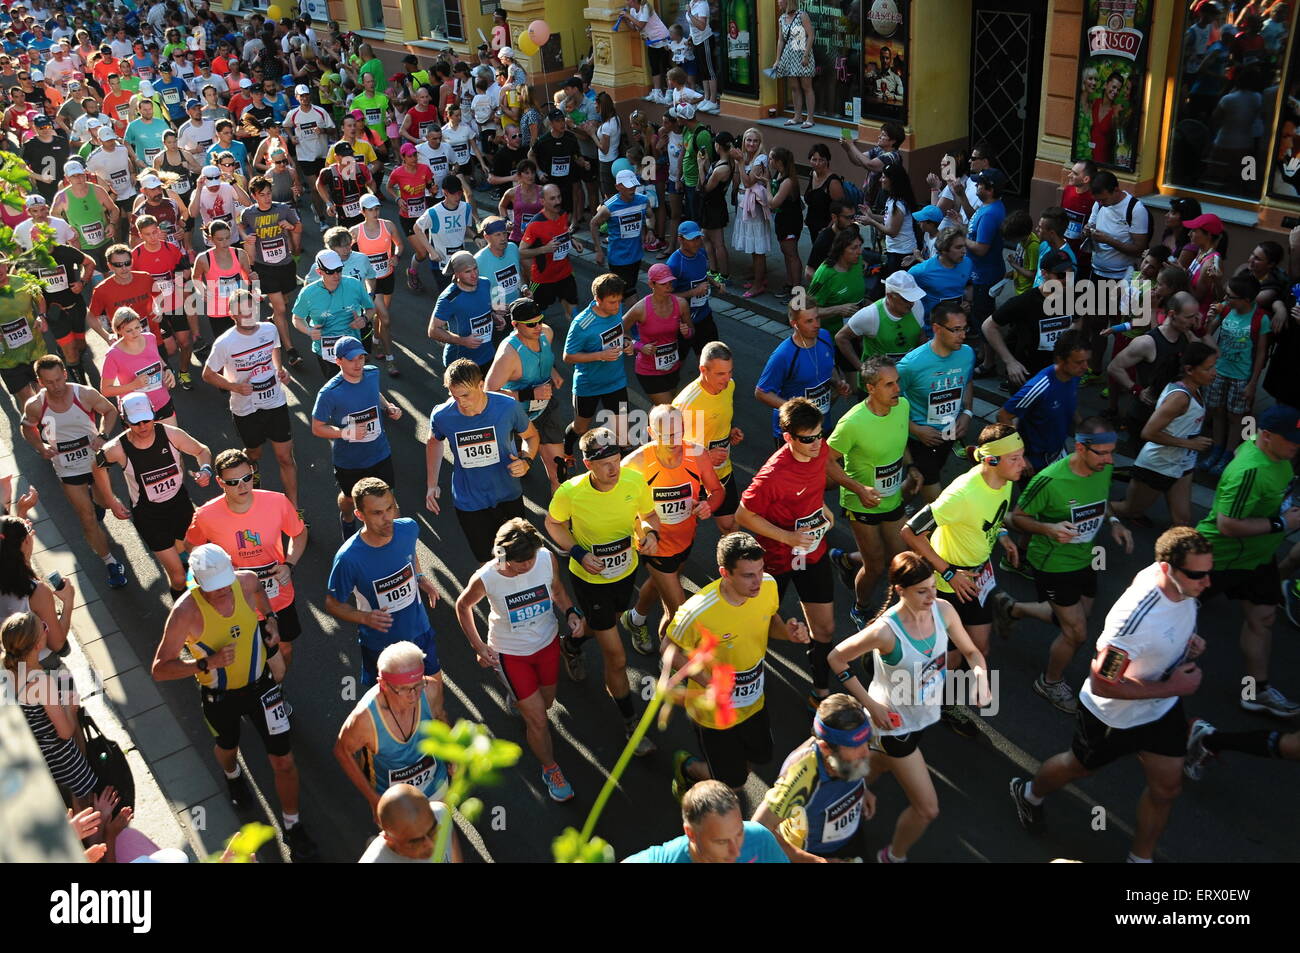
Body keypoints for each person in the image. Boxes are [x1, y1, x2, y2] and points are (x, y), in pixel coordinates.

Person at [1010, 527, 1210, 864]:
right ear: (1166, 570)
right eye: (1197, 575)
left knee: (1166, 789)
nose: (1206, 582)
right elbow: (1104, 681)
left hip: (1160, 709)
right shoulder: (1132, 622)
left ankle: (1140, 859)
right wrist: (1174, 687)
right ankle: (1028, 793)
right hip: (1112, 716)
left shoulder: (1181, 585)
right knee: (1079, 768)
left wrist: (1186, 641)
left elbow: (1170, 625)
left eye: (1209, 572)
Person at [151, 543, 317, 860]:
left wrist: (269, 621)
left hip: (261, 688)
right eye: (214, 588)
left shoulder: (246, 581)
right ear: (198, 583)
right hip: (220, 696)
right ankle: (233, 776)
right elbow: (160, 669)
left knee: (284, 760)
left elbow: (261, 599)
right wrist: (204, 663)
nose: (224, 591)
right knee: (228, 749)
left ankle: (293, 826)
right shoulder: (186, 612)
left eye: (226, 582)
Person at [829, 551, 991, 863]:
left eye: (933, 587)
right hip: (894, 726)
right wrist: (872, 706)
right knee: (927, 808)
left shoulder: (943, 610)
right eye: (922, 591)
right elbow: (836, 658)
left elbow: (972, 652)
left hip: (922, 717)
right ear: (901, 591)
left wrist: (982, 679)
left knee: (873, 767)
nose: (932, 596)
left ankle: (839, 803)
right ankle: (893, 856)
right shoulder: (885, 632)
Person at [1000, 420, 1134, 712]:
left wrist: (1113, 521)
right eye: (1102, 453)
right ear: (1080, 447)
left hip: (1084, 557)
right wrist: (1048, 529)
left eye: (1112, 452)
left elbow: (1102, 499)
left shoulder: (1104, 467)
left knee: (1077, 617)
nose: (1110, 460)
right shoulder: (1049, 480)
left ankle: (1013, 609)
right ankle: (1049, 682)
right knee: (1077, 632)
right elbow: (1014, 518)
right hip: (1053, 563)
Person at [900, 424, 1026, 733]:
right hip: (948, 584)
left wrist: (1004, 536)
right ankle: (920, 700)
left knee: (979, 648)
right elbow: (910, 531)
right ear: (991, 461)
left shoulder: (1005, 479)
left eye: (1022, 456)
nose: (1023, 464)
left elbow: (992, 517)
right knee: (951, 655)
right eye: (1015, 458)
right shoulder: (962, 494)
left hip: (977, 576)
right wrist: (948, 572)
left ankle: (939, 698)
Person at [738, 398, 862, 707]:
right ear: (788, 437)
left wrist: (821, 509)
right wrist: (787, 536)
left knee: (825, 627)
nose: (817, 443)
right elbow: (743, 515)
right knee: (757, 626)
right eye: (807, 438)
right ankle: (745, 675)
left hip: (813, 553)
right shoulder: (772, 476)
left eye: (820, 434)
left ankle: (819, 690)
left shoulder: (818, 450)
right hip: (776, 561)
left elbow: (817, 480)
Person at [544, 426, 661, 755]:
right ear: (586, 463)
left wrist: (650, 533)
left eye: (617, 458)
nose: (614, 467)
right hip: (591, 580)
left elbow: (648, 515)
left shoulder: (634, 481)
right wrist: (579, 553)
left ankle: (572, 642)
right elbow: (552, 523)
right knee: (617, 655)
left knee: (607, 622)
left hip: (625, 573)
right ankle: (630, 725)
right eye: (605, 462)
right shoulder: (571, 492)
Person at [665, 532, 811, 795]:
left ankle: (724, 770)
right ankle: (689, 768)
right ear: (725, 573)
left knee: (758, 760)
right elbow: (667, 649)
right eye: (748, 575)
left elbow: (770, 623)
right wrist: (709, 683)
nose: (757, 581)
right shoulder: (697, 611)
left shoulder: (768, 586)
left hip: (754, 702)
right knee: (732, 783)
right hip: (714, 714)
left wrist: (788, 633)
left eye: (760, 570)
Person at [454, 519, 580, 802]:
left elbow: (557, 591)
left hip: (547, 644)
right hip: (511, 654)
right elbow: (463, 606)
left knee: (547, 703)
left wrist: (571, 612)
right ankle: (551, 769)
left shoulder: (546, 559)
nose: (526, 566)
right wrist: (478, 645)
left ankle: (519, 698)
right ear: (503, 554)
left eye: (530, 559)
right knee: (537, 720)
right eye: (519, 562)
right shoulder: (488, 577)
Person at [1193, 404, 1300, 718]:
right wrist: (1283, 524)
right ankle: (1130, 679)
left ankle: (1256, 692)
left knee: (1263, 618)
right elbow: (1227, 525)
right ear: (1266, 436)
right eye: (1292, 438)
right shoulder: (1250, 472)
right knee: (1170, 618)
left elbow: (1243, 445)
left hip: (1257, 557)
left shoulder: (1270, 451)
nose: (1297, 444)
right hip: (1218, 559)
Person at [185, 449, 307, 675]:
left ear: (252, 473)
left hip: (278, 596)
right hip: (235, 602)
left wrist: (289, 564)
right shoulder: (205, 515)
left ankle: (275, 693)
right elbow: (191, 546)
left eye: (247, 478)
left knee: (285, 648)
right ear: (220, 483)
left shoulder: (277, 502)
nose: (242, 486)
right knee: (245, 657)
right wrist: (215, 569)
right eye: (233, 482)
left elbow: (299, 533)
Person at [826, 356, 924, 627]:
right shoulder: (853, 423)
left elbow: (900, 440)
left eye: (898, 382)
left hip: (892, 499)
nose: (898, 390)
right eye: (889, 385)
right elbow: (826, 459)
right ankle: (861, 607)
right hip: (862, 505)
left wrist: (912, 467)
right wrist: (858, 488)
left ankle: (845, 560)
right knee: (876, 566)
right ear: (870, 388)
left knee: (901, 558)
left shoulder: (901, 407)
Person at [620, 404, 724, 654]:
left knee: (659, 586)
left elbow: (717, 491)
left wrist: (708, 506)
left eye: (678, 432)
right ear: (651, 433)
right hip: (655, 546)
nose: (674, 440)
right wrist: (642, 530)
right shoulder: (636, 463)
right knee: (679, 611)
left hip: (685, 540)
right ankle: (670, 663)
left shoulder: (697, 454)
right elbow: (619, 505)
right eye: (666, 435)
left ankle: (634, 619)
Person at [19, 355, 128, 589]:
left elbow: (110, 411)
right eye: (49, 382)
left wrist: (102, 436)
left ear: (65, 375)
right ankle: (110, 563)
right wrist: (40, 447)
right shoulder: (36, 405)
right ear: (39, 381)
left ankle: (99, 504)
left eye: (59, 379)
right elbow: (26, 428)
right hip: (67, 470)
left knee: (104, 504)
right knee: (86, 518)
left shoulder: (84, 394)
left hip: (95, 464)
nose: (56, 386)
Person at [325, 477, 442, 691]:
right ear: (360, 515)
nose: (387, 518)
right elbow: (332, 604)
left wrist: (419, 577)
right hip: (381, 645)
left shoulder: (408, 528)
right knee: (390, 709)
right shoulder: (348, 559)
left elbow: (410, 552)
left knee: (436, 699)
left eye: (390, 508)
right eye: (377, 513)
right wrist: (365, 617)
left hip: (420, 631)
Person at [95, 392, 213, 602]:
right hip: (149, 516)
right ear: (125, 422)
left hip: (180, 505)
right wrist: (111, 501)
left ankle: (202, 600)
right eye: (136, 422)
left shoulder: (171, 434)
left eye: (147, 419)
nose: (143, 426)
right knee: (178, 578)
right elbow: (97, 466)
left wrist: (205, 470)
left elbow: (202, 450)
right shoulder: (118, 449)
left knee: (202, 566)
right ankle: (184, 618)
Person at [426, 358, 540, 562]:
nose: (461, 402)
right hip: (470, 500)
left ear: (481, 385)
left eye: (465, 395)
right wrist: (431, 485)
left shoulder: (507, 407)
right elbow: (434, 441)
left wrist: (526, 460)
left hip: (508, 493)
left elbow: (531, 436)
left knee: (519, 555)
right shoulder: (443, 415)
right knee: (488, 560)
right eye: (454, 396)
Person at [201, 289, 299, 509]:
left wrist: (280, 370)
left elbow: (274, 349)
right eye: (242, 312)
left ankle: (294, 510)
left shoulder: (269, 329)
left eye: (251, 310)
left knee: (285, 457)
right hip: (246, 409)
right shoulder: (225, 343)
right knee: (255, 453)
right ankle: (250, 473)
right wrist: (233, 386)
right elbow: (207, 374)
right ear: (232, 314)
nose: (248, 315)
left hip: (275, 402)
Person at [752, 693, 878, 862]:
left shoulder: (843, 756)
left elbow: (851, 765)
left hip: (849, 836)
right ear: (825, 748)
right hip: (813, 852)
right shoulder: (800, 776)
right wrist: (813, 860)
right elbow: (759, 828)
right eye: (854, 746)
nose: (866, 753)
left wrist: (862, 791)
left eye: (866, 742)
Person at [334, 642, 451, 817]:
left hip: (435, 783)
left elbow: (441, 718)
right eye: (403, 689)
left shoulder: (430, 689)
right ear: (383, 684)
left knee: (442, 833)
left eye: (418, 684)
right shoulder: (365, 719)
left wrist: (452, 756)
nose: (413, 695)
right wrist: (374, 800)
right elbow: (342, 752)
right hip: (394, 800)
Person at [1112, 342, 1216, 529]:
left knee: (1182, 521)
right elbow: (1149, 432)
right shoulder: (1179, 398)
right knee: (1127, 509)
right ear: (1189, 370)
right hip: (1157, 466)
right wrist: (1190, 444)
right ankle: (1083, 510)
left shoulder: (1195, 387)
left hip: (1181, 464)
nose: (1214, 372)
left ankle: (1175, 555)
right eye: (1208, 368)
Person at [2, 611, 98, 810]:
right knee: (88, 816)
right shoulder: (39, 681)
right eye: (44, 627)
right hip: (64, 763)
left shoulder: (7, 674)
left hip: (39, 765)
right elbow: (64, 732)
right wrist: (70, 709)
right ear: (38, 644)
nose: (47, 629)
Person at [310, 336, 401, 540]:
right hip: (350, 461)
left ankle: (392, 544)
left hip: (379, 452)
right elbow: (317, 428)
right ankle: (348, 519)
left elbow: (374, 393)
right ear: (338, 361)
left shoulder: (372, 373)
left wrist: (388, 407)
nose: (358, 364)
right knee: (350, 500)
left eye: (361, 358)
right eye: (351, 359)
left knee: (388, 500)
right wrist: (346, 433)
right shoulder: (329, 393)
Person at [895, 301, 977, 501]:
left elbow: (967, 382)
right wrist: (914, 429)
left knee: (917, 481)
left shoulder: (967, 353)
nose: (963, 335)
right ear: (937, 329)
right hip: (921, 439)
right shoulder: (910, 365)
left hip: (948, 434)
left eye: (964, 328)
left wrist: (967, 413)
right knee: (936, 499)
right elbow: (887, 401)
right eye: (956, 330)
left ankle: (893, 508)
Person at [485, 297, 567, 493]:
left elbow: (545, 359)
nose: (538, 327)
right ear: (515, 325)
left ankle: (562, 519)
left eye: (540, 320)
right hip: (515, 417)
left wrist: (553, 372)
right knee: (511, 476)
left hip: (544, 409)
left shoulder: (546, 333)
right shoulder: (509, 354)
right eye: (531, 324)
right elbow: (488, 392)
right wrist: (530, 393)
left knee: (559, 472)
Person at [560, 273, 635, 473]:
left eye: (619, 301)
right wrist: (600, 355)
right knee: (581, 427)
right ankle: (567, 451)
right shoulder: (582, 324)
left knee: (623, 436)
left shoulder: (617, 311)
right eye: (611, 302)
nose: (617, 307)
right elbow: (568, 356)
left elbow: (621, 333)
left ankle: (622, 478)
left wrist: (627, 343)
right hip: (589, 385)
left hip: (616, 382)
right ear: (598, 299)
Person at [1199, 274, 1270, 476]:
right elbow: (1206, 333)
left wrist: (1253, 383)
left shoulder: (1260, 319)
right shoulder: (1227, 309)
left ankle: (1228, 454)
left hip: (1241, 377)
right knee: (1218, 411)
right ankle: (1216, 450)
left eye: (1231, 296)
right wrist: (1211, 317)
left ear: (1246, 299)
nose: (1226, 299)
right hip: (1219, 370)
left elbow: (1261, 353)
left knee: (1235, 416)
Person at [674, 340, 745, 534]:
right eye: (720, 374)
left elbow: (719, 416)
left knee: (730, 526)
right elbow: (669, 449)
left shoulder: (729, 386)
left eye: (730, 371)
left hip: (721, 472)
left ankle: (728, 564)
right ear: (703, 370)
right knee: (683, 537)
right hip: (692, 480)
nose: (727, 378)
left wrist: (729, 431)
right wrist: (704, 456)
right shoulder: (686, 404)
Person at [982, 250, 1080, 390]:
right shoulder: (1026, 302)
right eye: (1061, 275)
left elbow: (1078, 320)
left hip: (1060, 373)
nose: (1067, 280)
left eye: (1071, 274)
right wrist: (1010, 362)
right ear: (1044, 274)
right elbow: (988, 326)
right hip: (1029, 377)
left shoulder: (1074, 296)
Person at [623, 779, 788, 862]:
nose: (736, 852)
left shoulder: (760, 839)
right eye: (722, 842)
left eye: (739, 833)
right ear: (691, 834)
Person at [997, 331, 1090, 475]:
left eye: (1086, 361)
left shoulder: (1074, 376)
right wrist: (1017, 456)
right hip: (1033, 461)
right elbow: (1003, 415)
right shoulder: (1039, 387)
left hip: (1057, 452)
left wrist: (1084, 428)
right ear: (1060, 360)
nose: (1086, 367)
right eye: (1079, 362)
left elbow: (1068, 404)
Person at [754, 304, 850, 443]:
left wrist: (837, 383)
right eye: (809, 321)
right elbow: (761, 392)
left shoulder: (824, 336)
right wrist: (798, 411)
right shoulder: (783, 355)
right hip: (795, 433)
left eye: (817, 318)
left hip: (822, 425)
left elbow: (829, 365)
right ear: (795, 324)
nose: (816, 325)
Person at [239, 174, 302, 355]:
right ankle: (290, 349)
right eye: (262, 195)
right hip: (264, 267)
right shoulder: (249, 213)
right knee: (281, 307)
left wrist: (291, 227)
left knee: (285, 300)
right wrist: (245, 237)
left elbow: (298, 227)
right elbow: (241, 225)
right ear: (254, 196)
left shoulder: (282, 209)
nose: (267, 198)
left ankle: (274, 320)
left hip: (286, 264)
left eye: (268, 193)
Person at [293, 249, 376, 378]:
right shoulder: (308, 293)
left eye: (339, 270)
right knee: (337, 389)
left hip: (353, 348)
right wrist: (309, 331)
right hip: (325, 351)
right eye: (330, 272)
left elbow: (371, 308)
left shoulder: (353, 284)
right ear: (319, 272)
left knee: (357, 383)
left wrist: (364, 319)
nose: (336, 275)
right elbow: (297, 318)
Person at [835, 270, 928, 380]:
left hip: (906, 377)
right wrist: (861, 368)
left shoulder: (917, 306)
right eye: (906, 299)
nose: (911, 303)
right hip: (877, 382)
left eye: (913, 297)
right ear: (889, 296)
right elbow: (841, 337)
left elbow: (921, 336)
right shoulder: (870, 315)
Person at [621, 262, 693, 404]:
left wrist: (687, 332)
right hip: (648, 370)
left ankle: (650, 426)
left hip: (672, 366)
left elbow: (691, 332)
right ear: (651, 284)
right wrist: (638, 346)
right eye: (663, 283)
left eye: (670, 282)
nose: (669, 286)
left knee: (665, 409)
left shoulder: (681, 304)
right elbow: (618, 332)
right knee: (667, 410)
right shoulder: (640, 308)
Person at [352, 194, 404, 375]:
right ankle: (391, 361)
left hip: (388, 277)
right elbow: (343, 253)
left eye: (377, 209)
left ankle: (375, 340)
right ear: (363, 211)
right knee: (386, 319)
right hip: (371, 283)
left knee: (381, 318)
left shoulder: (388, 225)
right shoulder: (355, 232)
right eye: (370, 210)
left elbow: (399, 244)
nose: (375, 212)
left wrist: (396, 256)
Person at [519, 182, 582, 321]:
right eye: (552, 199)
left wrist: (573, 241)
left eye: (559, 197)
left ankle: (576, 340)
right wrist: (544, 249)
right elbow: (521, 252)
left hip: (565, 273)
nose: (558, 201)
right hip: (542, 279)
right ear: (542, 201)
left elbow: (564, 233)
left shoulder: (564, 214)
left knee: (574, 313)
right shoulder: (535, 224)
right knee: (537, 316)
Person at [357, 782, 462, 863]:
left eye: (432, 831)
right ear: (389, 839)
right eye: (416, 842)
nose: (430, 844)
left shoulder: (441, 814)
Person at [428, 250, 496, 372]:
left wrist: (495, 317)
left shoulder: (485, 283)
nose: (474, 275)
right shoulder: (449, 298)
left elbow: (483, 309)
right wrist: (463, 341)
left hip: (488, 355)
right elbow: (433, 331)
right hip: (461, 362)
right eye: (468, 272)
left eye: (475, 269)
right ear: (457, 274)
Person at [591, 168, 651, 297]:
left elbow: (650, 216)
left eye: (634, 185)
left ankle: (619, 314)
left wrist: (650, 231)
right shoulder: (609, 208)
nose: (632, 189)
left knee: (623, 293)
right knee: (628, 293)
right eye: (629, 186)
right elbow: (593, 224)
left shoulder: (643, 201)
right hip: (619, 259)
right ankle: (631, 316)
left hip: (636, 256)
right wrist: (599, 250)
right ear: (618, 187)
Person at [666, 219, 723, 351]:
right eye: (693, 239)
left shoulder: (701, 254)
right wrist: (693, 292)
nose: (697, 242)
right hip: (683, 322)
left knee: (711, 357)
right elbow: (667, 297)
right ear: (680, 239)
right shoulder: (674, 265)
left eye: (698, 238)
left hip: (704, 315)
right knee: (678, 363)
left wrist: (715, 283)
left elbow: (702, 274)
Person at [0, 257, 48, 409]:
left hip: (35, 349)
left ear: (6, 264)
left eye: (0, 266)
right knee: (29, 401)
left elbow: (39, 298)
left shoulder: (23, 281)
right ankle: (38, 430)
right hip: (8, 358)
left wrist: (41, 316)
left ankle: (55, 429)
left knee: (45, 395)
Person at [772, 0, 815, 127]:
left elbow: (811, 35)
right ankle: (797, 116)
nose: (778, 3)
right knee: (794, 88)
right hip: (789, 56)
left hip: (802, 54)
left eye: (780, 1)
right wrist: (777, 59)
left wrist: (806, 55)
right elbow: (781, 40)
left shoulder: (802, 15)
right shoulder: (782, 19)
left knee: (807, 87)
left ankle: (810, 118)